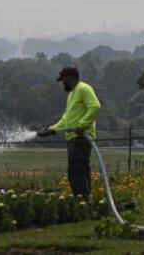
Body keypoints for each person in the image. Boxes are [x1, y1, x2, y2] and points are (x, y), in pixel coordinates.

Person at [37, 66, 101, 199]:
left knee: (77, 171)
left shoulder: (83, 88)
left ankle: (82, 201)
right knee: (78, 171)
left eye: (63, 80)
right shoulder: (72, 94)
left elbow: (95, 107)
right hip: (73, 139)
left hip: (81, 139)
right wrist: (52, 130)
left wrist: (82, 125)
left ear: (70, 78)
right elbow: (66, 119)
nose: (62, 83)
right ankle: (83, 200)